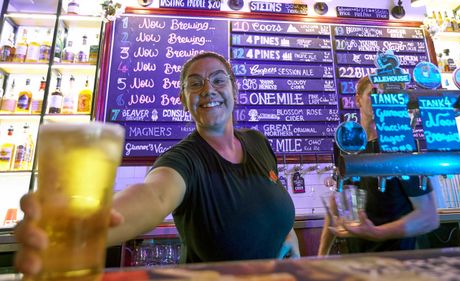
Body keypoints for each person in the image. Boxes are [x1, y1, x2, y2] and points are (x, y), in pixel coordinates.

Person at [15, 52, 299, 275]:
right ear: (183, 99)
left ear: (233, 90)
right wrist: (83, 225)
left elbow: (274, 205)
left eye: (218, 79)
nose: (208, 89)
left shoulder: (257, 142)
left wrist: (289, 237)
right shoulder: (184, 159)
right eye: (195, 83)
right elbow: (155, 195)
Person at [318, 76, 439, 255]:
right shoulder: (346, 143)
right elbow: (338, 198)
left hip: (396, 261)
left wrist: (376, 233)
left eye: (384, 95)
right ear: (357, 99)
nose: (378, 101)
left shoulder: (399, 145)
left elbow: (428, 216)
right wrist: (322, 254)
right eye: (373, 94)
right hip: (357, 260)